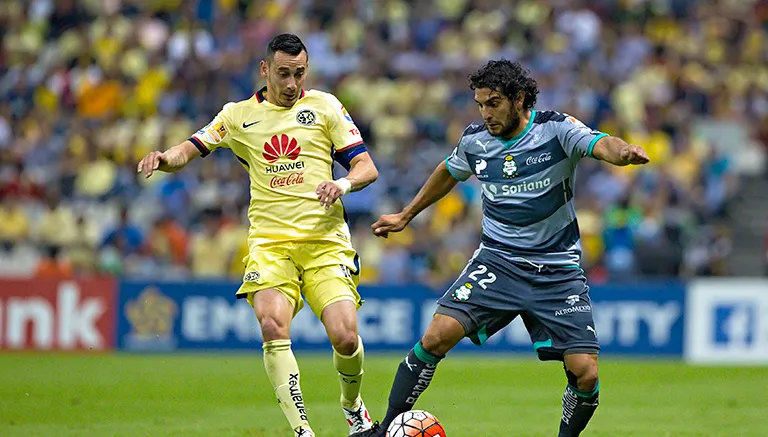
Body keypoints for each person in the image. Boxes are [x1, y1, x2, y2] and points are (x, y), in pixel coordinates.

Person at [351, 59, 649, 437]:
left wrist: (623, 153)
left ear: (519, 98)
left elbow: (600, 143)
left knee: (585, 372)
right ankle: (385, 429)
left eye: (493, 103)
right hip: (499, 261)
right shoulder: (476, 140)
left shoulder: (556, 129)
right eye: (480, 104)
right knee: (435, 336)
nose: (485, 113)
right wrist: (407, 215)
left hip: (556, 269)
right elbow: (448, 170)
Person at [138, 34, 379, 437]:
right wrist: (165, 158)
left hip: (324, 242)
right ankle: (302, 430)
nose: (291, 84)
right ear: (265, 69)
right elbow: (192, 147)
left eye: (299, 74)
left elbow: (366, 167)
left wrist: (343, 185)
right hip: (270, 243)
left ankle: (353, 408)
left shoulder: (325, 106)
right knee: (272, 325)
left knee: (345, 335)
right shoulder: (237, 116)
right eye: (283, 73)